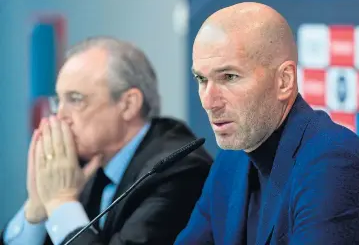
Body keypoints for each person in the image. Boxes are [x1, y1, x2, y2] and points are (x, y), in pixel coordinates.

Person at [174, 2, 359, 245]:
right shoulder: (229, 162)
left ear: (284, 81)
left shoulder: (333, 161)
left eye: (229, 77)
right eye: (201, 79)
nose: (209, 101)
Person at [1, 37, 213, 245]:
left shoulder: (178, 170)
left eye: (75, 99)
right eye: (58, 101)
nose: (60, 116)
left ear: (128, 105)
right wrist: (37, 210)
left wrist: (60, 202)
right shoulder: (80, 165)